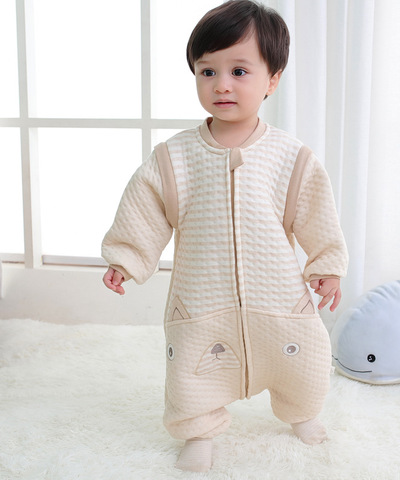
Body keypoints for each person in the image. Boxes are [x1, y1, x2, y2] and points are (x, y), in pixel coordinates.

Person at [102, 0, 348, 472]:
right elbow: (144, 210)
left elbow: (318, 215)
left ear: (272, 79)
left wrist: (327, 266)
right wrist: (126, 258)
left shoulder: (290, 156)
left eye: (239, 71)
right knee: (191, 374)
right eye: (207, 71)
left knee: (304, 362)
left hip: (277, 296)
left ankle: (302, 414)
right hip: (201, 298)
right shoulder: (173, 157)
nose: (221, 85)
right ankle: (198, 432)